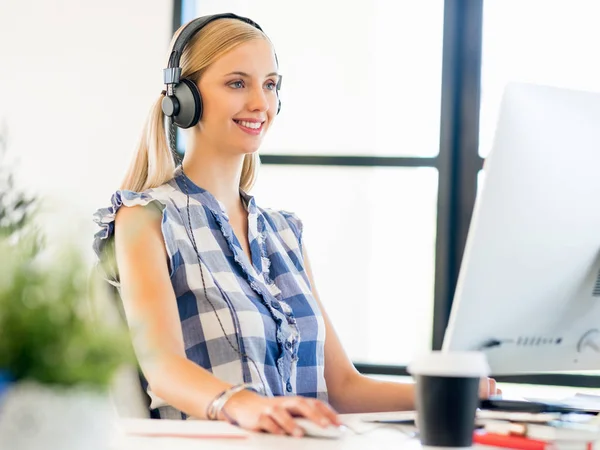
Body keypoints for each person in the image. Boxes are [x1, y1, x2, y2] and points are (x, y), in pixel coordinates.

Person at [92, 13, 499, 437]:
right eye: (237, 83)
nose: (261, 103)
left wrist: (462, 395)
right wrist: (246, 406)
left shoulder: (283, 233)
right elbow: (163, 369)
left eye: (270, 84)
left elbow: (342, 387)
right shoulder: (145, 219)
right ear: (185, 98)